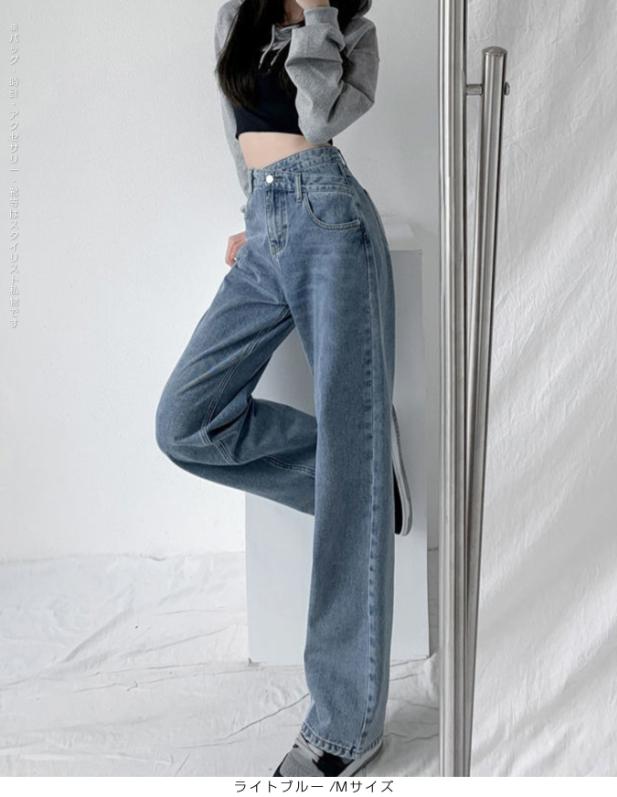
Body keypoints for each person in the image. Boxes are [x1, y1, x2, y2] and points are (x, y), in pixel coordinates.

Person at [154, 0, 412, 777]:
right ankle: (365, 477)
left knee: (350, 471)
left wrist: (318, 16)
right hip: (268, 225)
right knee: (187, 423)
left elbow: (319, 119)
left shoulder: (351, 32)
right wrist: (253, 210)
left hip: (332, 220)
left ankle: (344, 726)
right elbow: (231, 123)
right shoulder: (236, 14)